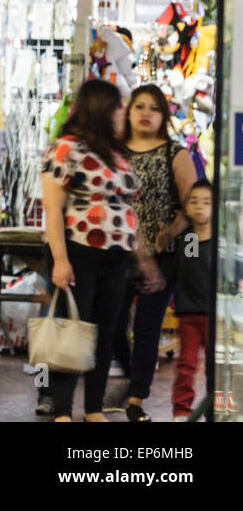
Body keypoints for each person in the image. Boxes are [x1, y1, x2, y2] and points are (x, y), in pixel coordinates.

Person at [40, 79, 146, 422]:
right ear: (102, 108)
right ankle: (61, 409)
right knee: (72, 333)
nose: (124, 113)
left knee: (102, 334)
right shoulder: (66, 148)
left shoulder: (115, 152)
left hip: (115, 259)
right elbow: (53, 208)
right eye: (119, 106)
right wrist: (59, 259)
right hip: (77, 252)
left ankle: (93, 407)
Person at [113, 85, 198, 422]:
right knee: (114, 325)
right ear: (129, 111)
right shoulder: (114, 153)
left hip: (161, 259)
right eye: (139, 106)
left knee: (148, 328)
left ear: (164, 115)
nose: (145, 113)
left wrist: (171, 232)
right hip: (119, 254)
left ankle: (136, 398)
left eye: (154, 108)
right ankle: (132, 378)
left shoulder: (174, 153)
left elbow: (193, 202)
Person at [171, 182, 214, 420]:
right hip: (189, 314)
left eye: (206, 202)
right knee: (186, 365)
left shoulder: (222, 241)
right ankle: (181, 411)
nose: (199, 207)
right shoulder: (188, 241)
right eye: (194, 201)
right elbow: (186, 271)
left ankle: (218, 410)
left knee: (217, 369)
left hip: (215, 316)